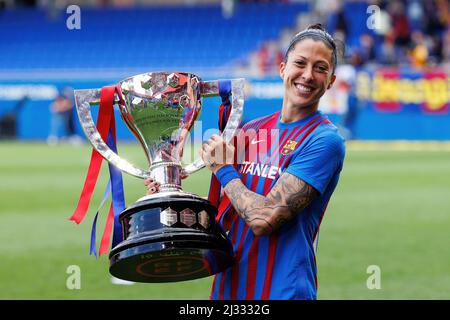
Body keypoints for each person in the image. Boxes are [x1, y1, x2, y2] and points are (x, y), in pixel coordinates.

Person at [145, 23, 345, 300]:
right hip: (230, 290)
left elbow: (263, 219)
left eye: (320, 68)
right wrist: (170, 194)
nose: (308, 75)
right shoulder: (252, 130)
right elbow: (221, 216)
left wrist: (225, 169)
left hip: (283, 292)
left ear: (331, 81)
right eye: (300, 63)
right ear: (282, 68)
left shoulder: (324, 141)